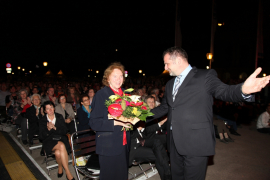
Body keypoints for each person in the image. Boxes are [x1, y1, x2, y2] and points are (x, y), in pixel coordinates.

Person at [149, 47, 270, 180]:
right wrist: (140, 116)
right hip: (174, 142)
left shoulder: (205, 76)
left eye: (167, 63)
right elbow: (165, 107)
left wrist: (243, 90)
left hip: (196, 142)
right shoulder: (171, 84)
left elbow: (224, 91)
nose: (165, 67)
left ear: (178, 60)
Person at [89, 62, 131, 180]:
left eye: (121, 76)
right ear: (107, 78)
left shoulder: (126, 94)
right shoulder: (101, 95)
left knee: (122, 176)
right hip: (108, 145)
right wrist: (116, 122)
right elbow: (94, 123)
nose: (119, 79)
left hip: (124, 143)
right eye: (115, 76)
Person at [39, 101, 74, 180]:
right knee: (61, 146)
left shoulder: (59, 116)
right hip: (49, 141)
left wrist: (55, 128)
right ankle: (68, 173)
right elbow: (41, 137)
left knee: (58, 153)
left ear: (54, 108)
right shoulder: (43, 120)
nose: (50, 110)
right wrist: (48, 129)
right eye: (48, 109)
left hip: (60, 138)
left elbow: (65, 131)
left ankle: (60, 167)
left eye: (51, 107)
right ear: (45, 111)